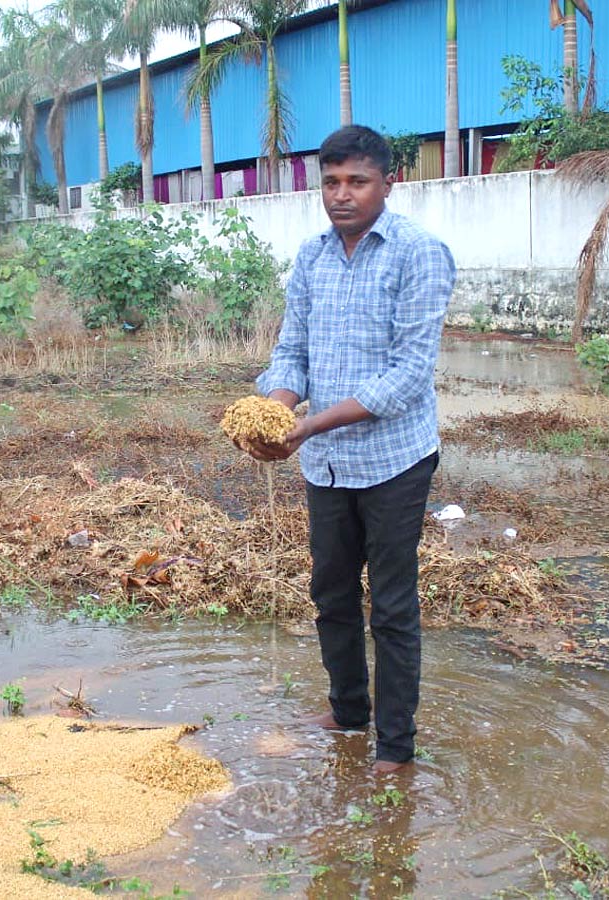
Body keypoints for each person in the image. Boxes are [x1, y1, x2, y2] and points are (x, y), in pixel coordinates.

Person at [238, 125, 455, 774]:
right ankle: (348, 708)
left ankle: (394, 746)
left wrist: (308, 426)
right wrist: (277, 410)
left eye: (357, 181)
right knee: (330, 592)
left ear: (389, 183)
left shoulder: (420, 254)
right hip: (326, 464)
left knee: (390, 605)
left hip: (394, 459)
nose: (341, 194)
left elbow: (408, 375)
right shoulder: (312, 258)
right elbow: (292, 352)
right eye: (330, 182)